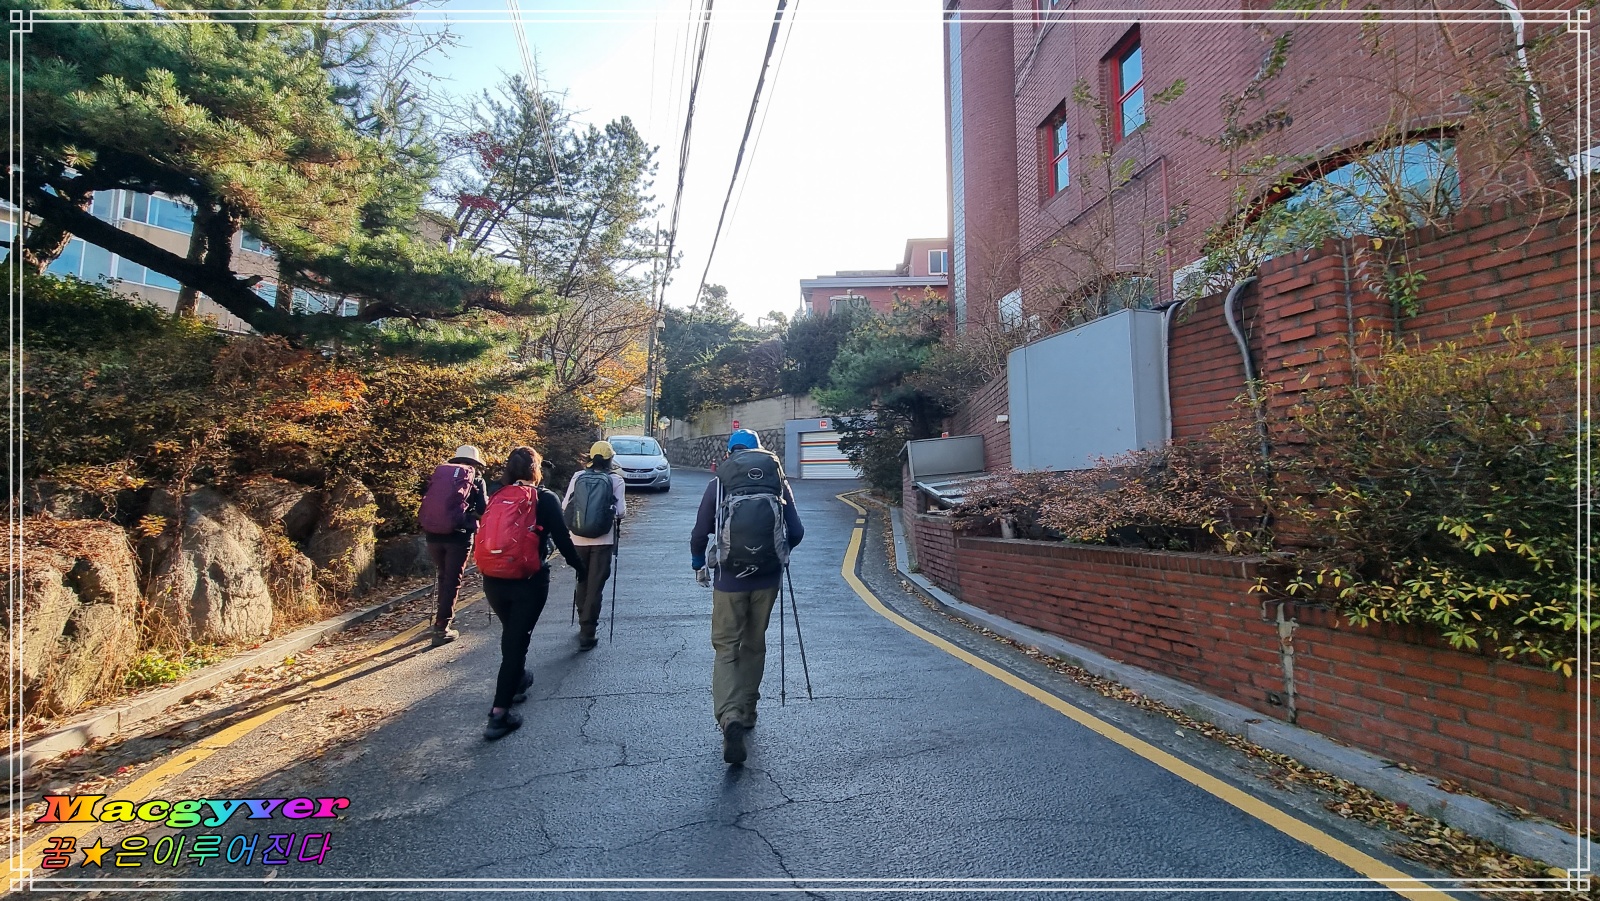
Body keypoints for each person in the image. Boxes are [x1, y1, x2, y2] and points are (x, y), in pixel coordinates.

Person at [688, 429, 804, 765]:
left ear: (729, 454)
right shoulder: (777, 483)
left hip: (729, 579)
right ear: (759, 453)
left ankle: (730, 716)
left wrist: (698, 562)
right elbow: (796, 531)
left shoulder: (719, 484)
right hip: (767, 579)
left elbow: (700, 532)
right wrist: (779, 551)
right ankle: (749, 712)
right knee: (754, 644)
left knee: (726, 647)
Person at [478, 446, 588, 740]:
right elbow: (563, 540)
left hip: (493, 579)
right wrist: (581, 569)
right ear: (536, 470)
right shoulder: (544, 498)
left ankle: (517, 682)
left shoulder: (496, 494)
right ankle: (499, 714)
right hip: (529, 581)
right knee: (517, 643)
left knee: (512, 634)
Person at [418, 445, 490, 644]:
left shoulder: (440, 476)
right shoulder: (476, 479)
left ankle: (440, 618)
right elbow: (483, 510)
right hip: (459, 535)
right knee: (452, 579)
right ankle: (442, 627)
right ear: (475, 462)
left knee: (443, 575)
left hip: (433, 534)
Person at [562, 440, 627, 651]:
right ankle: (587, 631)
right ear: (610, 459)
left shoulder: (578, 477)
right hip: (603, 541)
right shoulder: (616, 480)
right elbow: (621, 512)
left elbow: (565, 505)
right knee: (595, 586)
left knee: (582, 580)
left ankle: (583, 618)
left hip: (577, 539)